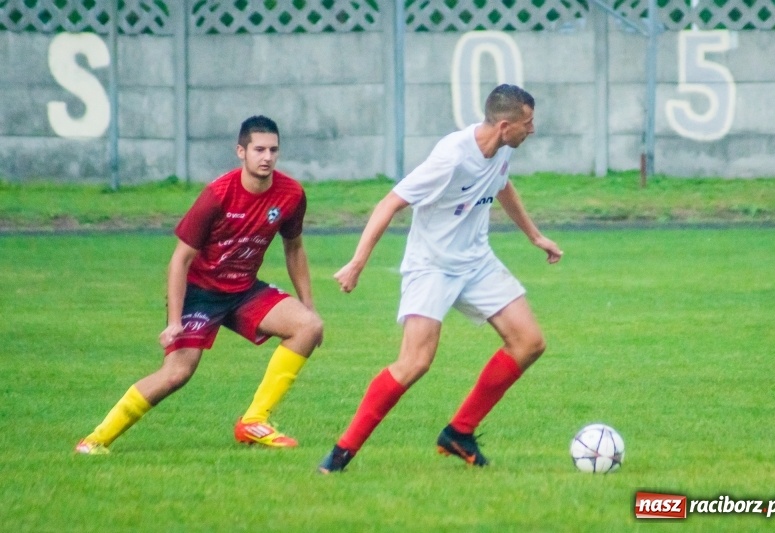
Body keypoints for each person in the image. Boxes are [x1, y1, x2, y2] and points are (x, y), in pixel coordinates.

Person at [318, 84, 563, 473]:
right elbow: (390, 202)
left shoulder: (500, 149)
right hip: (431, 266)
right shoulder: (450, 158)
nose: (532, 130)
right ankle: (340, 454)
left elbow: (501, 184)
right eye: (528, 123)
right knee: (415, 362)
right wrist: (357, 263)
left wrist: (534, 236)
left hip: (476, 262)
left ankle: (459, 432)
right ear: (505, 125)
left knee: (529, 342)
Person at [75, 115, 323, 454]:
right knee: (177, 373)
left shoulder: (291, 194)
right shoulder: (218, 195)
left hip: (244, 290)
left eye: (273, 150)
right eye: (259, 149)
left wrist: (308, 305)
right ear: (241, 151)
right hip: (200, 294)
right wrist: (175, 321)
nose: (266, 157)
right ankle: (95, 440)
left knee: (308, 327)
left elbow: (294, 248)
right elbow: (180, 260)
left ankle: (254, 421)